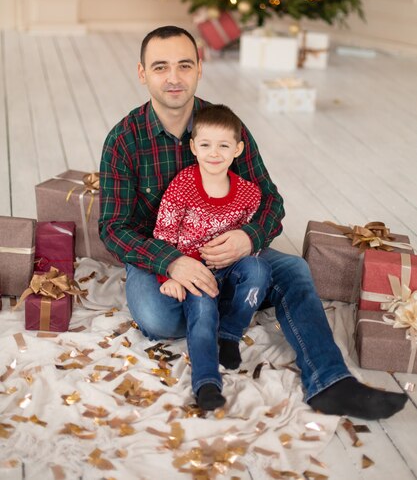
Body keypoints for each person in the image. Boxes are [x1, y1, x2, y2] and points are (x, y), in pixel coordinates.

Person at [99, 25, 408, 420]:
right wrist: (172, 261)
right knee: (159, 319)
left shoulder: (225, 127)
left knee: (294, 269)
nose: (173, 77)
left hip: (230, 250)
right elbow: (113, 227)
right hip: (163, 256)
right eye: (160, 67)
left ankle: (330, 381)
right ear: (142, 73)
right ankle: (230, 301)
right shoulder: (124, 140)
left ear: (199, 70)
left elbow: (270, 201)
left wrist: (248, 237)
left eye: (184, 65)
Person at [153, 103, 271, 409]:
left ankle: (230, 333)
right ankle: (206, 382)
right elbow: (164, 232)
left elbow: (251, 239)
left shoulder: (248, 193)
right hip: (195, 270)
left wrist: (245, 250)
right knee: (202, 315)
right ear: (193, 147)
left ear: (238, 149)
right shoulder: (182, 185)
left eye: (223, 145)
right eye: (205, 145)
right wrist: (167, 275)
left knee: (259, 269)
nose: (214, 153)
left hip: (231, 267)